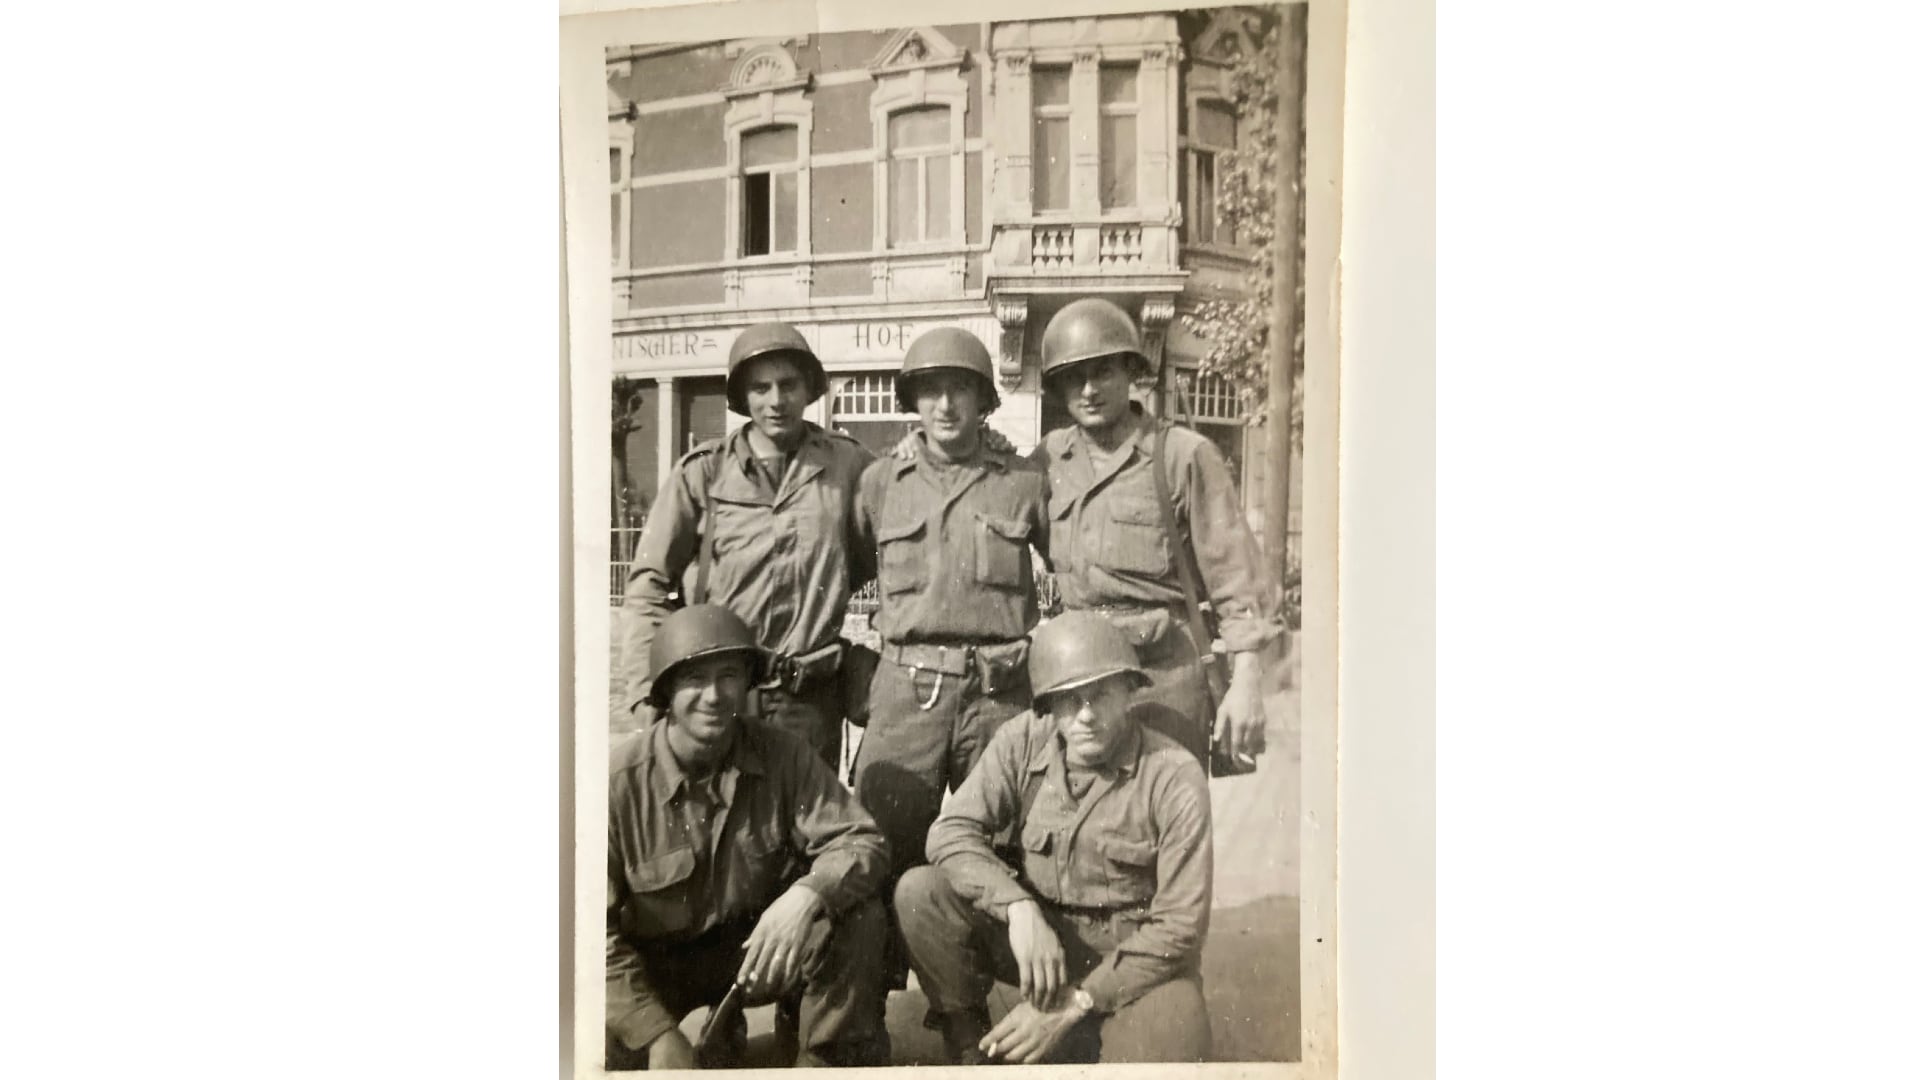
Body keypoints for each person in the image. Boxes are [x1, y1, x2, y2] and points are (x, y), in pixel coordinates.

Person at [893, 611, 1214, 1065]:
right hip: (1043, 948)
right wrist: (1017, 907)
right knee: (921, 893)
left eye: (1100, 694)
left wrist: (1078, 1001)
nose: (1085, 716)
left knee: (1177, 1031)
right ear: (1047, 706)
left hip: (1130, 961)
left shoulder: (1174, 776)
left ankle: (1077, 1031)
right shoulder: (1023, 740)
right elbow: (951, 832)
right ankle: (973, 1047)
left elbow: (1181, 928)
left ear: (1129, 692)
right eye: (1068, 700)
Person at [847, 326, 1050, 993]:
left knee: (1008, 844)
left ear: (983, 400)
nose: (944, 405)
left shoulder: (1024, 483)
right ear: (914, 400)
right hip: (908, 691)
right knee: (879, 842)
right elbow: (834, 575)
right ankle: (865, 1010)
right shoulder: (880, 483)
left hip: (1000, 694)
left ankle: (987, 997)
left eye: (960, 389)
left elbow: (1071, 578)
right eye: (931, 391)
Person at [606, 605, 892, 1069]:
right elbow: (586, 937)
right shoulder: (620, 785)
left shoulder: (782, 755)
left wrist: (807, 895)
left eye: (729, 677)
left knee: (857, 911)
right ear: (666, 692)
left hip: (755, 955)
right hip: (657, 970)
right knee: (592, 1035)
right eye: (695, 680)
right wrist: (656, 1034)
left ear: (748, 684)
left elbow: (862, 840)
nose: (714, 696)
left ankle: (822, 1056)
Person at [1030, 297, 1281, 769]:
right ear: (1058, 387)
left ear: (1130, 372)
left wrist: (1247, 683)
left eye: (1103, 371)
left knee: (1170, 817)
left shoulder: (1182, 456)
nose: (1088, 390)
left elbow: (1237, 579)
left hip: (1164, 676)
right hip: (1083, 676)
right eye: (1074, 377)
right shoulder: (1048, 461)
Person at [617, 322, 875, 768]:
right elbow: (648, 586)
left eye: (789, 385)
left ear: (810, 389)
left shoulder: (847, 463)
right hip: (719, 697)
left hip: (809, 702)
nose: (776, 401)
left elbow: (897, 522)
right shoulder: (702, 473)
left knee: (805, 831)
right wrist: (646, 692)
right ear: (743, 396)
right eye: (761, 388)